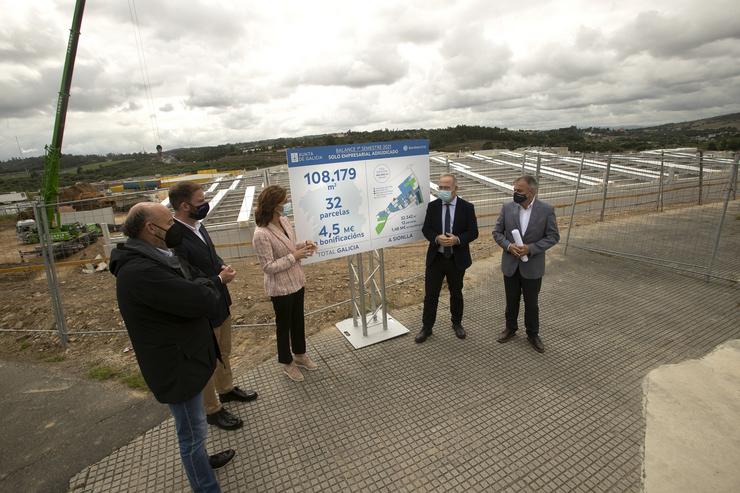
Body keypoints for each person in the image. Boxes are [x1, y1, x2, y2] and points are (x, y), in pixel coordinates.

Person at [110, 202, 234, 493]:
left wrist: (204, 285)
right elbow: (201, 298)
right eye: (169, 221)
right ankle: (205, 486)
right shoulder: (142, 271)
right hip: (176, 367)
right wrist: (208, 286)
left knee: (196, 426)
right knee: (191, 434)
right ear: (151, 229)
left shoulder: (159, 256)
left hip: (186, 357)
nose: (175, 226)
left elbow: (196, 281)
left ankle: (201, 462)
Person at [168, 181, 257, 431]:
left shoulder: (198, 225)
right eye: (200, 201)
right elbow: (186, 277)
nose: (204, 204)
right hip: (202, 309)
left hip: (219, 301)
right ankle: (212, 409)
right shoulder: (174, 237)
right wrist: (218, 279)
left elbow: (211, 256)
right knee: (207, 360)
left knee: (224, 350)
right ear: (184, 206)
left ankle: (226, 389)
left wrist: (221, 266)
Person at [252, 185, 319, 382]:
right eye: (284, 200)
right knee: (284, 327)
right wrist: (294, 256)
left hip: (297, 282)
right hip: (280, 288)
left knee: (298, 321)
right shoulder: (261, 234)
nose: (287, 203)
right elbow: (268, 266)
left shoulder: (284, 220)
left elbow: (290, 246)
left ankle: (300, 354)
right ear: (274, 205)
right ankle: (287, 363)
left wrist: (304, 245)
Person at [493, 175, 560, 353]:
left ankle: (532, 334)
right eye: (514, 190)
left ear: (532, 191)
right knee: (511, 300)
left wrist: (531, 248)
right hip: (511, 265)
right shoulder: (507, 208)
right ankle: (510, 328)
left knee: (532, 303)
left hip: (532, 267)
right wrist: (508, 246)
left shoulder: (546, 210)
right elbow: (497, 232)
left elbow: (553, 237)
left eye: (519, 191)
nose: (516, 194)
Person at [416, 173, 479, 343]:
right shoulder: (433, 206)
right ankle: (427, 327)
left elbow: (473, 232)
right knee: (431, 295)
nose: (442, 190)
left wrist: (457, 239)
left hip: (456, 259)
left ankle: (457, 323)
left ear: (455, 189)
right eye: (440, 187)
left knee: (456, 293)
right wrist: (436, 238)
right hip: (436, 258)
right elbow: (426, 229)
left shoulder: (467, 207)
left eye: (446, 188)